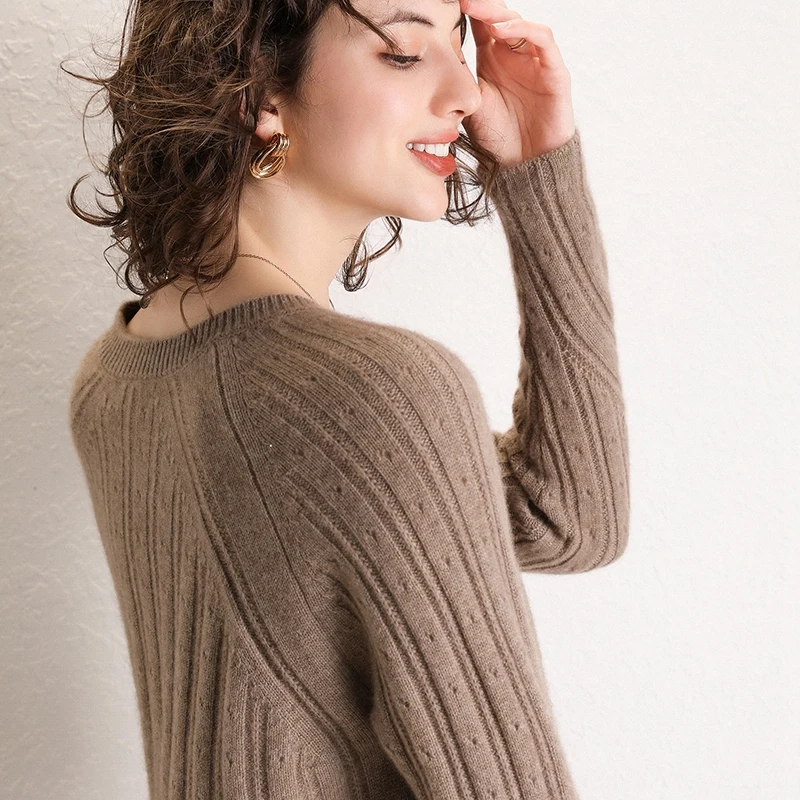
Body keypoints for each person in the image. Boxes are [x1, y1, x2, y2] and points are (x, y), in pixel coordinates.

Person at [66, 0, 630, 797]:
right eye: (403, 53)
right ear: (261, 89)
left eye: (460, 47)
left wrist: (537, 167)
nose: (468, 91)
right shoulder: (377, 394)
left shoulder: (114, 376)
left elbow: (565, 521)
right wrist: (540, 184)